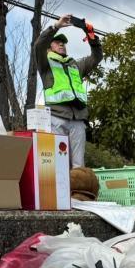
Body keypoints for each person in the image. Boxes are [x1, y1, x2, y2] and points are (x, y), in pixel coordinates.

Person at [33, 14, 103, 169]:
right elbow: (38, 45)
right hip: (56, 118)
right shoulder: (45, 64)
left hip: (78, 120)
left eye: (63, 43)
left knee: (79, 166)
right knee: (59, 165)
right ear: (49, 47)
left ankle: (77, 186)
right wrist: (56, 26)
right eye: (57, 42)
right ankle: (60, 185)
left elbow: (96, 57)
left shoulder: (75, 65)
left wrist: (91, 36)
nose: (61, 44)